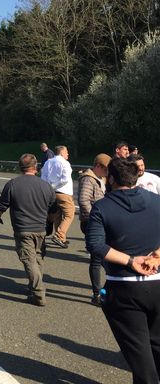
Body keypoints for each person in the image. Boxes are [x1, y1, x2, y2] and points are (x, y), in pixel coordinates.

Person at [86, 157, 160, 383]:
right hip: (158, 282)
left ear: (111, 179)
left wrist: (130, 261)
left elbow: (96, 245)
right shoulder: (156, 200)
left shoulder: (102, 207)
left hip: (124, 287)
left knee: (140, 355)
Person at [0, 154, 56, 306]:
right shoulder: (46, 186)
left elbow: (2, 206)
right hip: (40, 229)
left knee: (29, 260)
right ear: (36, 167)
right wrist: (49, 224)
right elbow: (53, 209)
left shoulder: (12, 184)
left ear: (20, 167)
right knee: (38, 257)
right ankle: (33, 285)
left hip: (23, 230)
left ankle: (39, 293)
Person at [77, 153, 111, 306]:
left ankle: (103, 290)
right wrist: (95, 218)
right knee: (97, 258)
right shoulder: (88, 179)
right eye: (105, 170)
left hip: (100, 221)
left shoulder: (100, 179)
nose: (107, 173)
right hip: (91, 222)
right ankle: (97, 294)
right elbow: (84, 200)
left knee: (104, 257)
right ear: (98, 166)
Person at [40, 145, 74, 248]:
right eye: (67, 152)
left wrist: (50, 187)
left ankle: (60, 238)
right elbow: (65, 179)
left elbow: (43, 178)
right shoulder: (65, 163)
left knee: (57, 215)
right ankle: (59, 236)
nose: (68, 154)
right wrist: (55, 186)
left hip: (52, 193)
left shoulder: (48, 162)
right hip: (63, 193)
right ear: (62, 152)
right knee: (69, 214)